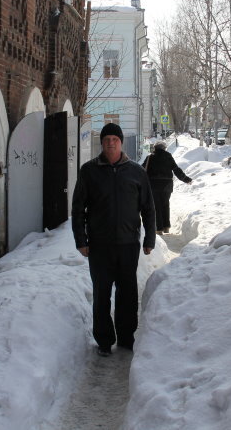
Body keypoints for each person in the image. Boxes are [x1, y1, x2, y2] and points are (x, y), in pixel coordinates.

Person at [71, 123, 156, 357]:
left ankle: (127, 338)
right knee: (101, 293)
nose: (111, 143)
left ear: (121, 142)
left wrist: (149, 238)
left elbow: (148, 208)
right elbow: (78, 209)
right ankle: (104, 340)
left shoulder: (136, 172)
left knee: (127, 293)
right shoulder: (89, 171)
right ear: (102, 143)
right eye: (107, 139)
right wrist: (81, 240)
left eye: (115, 139)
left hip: (128, 244)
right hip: (99, 245)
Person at [142, 141, 192, 235]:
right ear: (164, 148)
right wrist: (186, 179)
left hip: (153, 185)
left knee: (156, 206)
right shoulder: (168, 156)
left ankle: (159, 229)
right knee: (165, 204)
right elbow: (176, 169)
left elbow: (142, 170)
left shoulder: (150, 157)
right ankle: (166, 227)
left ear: (155, 148)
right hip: (167, 185)